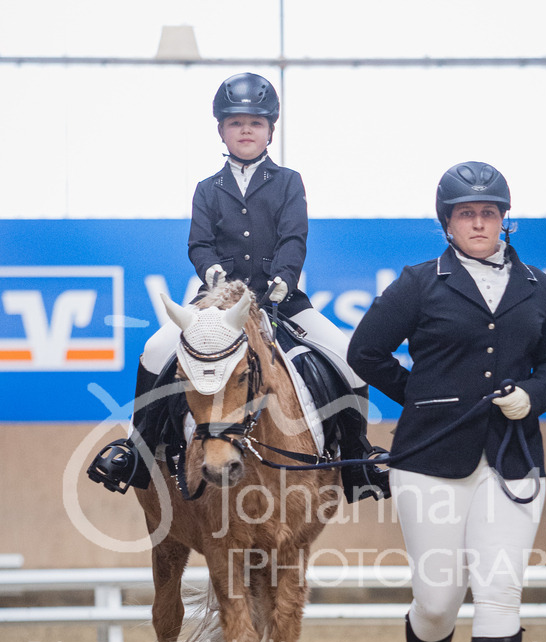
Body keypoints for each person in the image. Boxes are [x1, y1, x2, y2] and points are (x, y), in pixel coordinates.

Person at [347, 161, 546, 642]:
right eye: (467, 214)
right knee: (439, 597)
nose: (479, 222)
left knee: (499, 587)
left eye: (489, 213)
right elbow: (364, 350)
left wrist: (536, 396)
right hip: (430, 458)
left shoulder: (537, 284)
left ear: (504, 220)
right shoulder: (421, 282)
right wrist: (421, 396)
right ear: (447, 223)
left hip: (512, 457)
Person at [88, 72, 386, 501]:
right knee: (155, 349)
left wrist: (284, 279)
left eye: (255, 123)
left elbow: (293, 238)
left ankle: (358, 461)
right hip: (215, 302)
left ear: (270, 130)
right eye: (236, 122)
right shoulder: (207, 189)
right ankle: (137, 451)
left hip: (280, 298)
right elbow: (199, 243)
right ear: (221, 130)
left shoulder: (288, 181)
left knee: (348, 357)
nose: (246, 130)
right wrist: (212, 274)